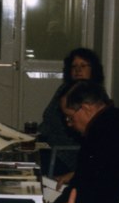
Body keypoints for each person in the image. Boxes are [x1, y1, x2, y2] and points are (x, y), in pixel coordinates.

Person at [38, 47, 105, 179]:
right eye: (74, 66)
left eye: (83, 66)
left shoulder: (95, 95)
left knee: (35, 162)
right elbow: (48, 116)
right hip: (50, 142)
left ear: (93, 69)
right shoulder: (64, 89)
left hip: (68, 152)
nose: (77, 70)